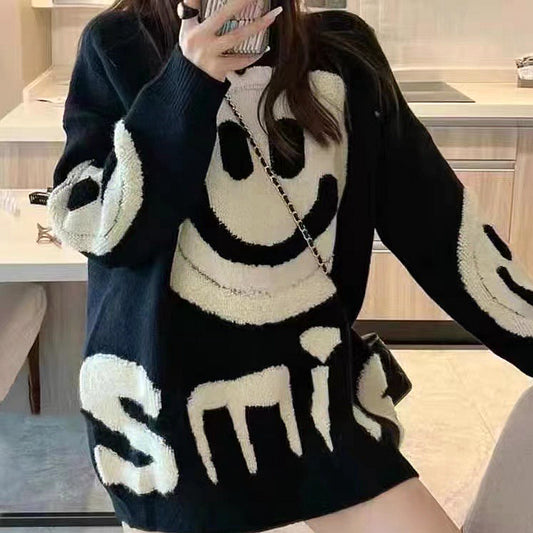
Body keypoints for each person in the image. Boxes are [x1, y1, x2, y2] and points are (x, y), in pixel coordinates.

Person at [46, 0, 533, 531]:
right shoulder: (118, 46)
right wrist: (187, 83)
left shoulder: (344, 55)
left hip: (314, 405)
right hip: (171, 425)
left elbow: (440, 229)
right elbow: (99, 229)